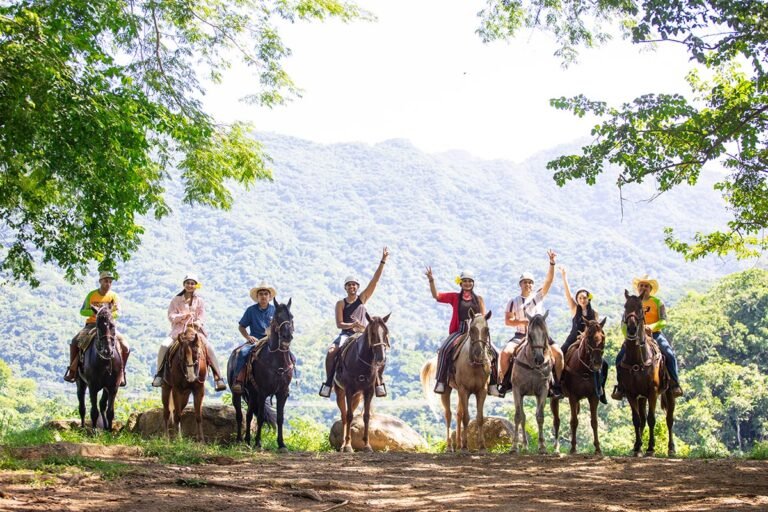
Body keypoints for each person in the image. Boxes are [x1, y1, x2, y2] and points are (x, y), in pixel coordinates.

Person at [319, 247, 389, 398]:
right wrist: (352, 325)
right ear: (345, 288)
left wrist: (382, 262)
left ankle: (379, 382)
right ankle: (329, 382)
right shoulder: (341, 303)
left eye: (354, 284)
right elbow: (339, 324)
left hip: (362, 335)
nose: (352, 287)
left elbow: (374, 282)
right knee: (331, 352)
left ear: (357, 287)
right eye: (349, 285)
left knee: (380, 352)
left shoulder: (362, 299)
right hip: (346, 334)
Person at [498, 250, 564, 398]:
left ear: (533, 285)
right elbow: (508, 321)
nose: (527, 284)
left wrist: (552, 263)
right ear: (520, 284)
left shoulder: (538, 296)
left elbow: (549, 281)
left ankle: (557, 385)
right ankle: (505, 382)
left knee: (558, 354)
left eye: (530, 282)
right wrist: (523, 321)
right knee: (505, 353)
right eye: (525, 282)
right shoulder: (513, 301)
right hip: (521, 334)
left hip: (540, 336)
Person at [427, 268, 501, 396]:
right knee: (444, 349)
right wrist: (431, 280)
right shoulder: (455, 297)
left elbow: (482, 318)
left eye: (470, 281)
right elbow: (436, 296)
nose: (467, 283)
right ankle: (441, 381)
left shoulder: (479, 299)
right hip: (460, 330)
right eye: (465, 281)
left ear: (473, 283)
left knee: (496, 352)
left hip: (476, 332)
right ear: (460, 283)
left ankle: (493, 383)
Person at [612, 275, 683, 399]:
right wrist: (628, 335)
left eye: (646, 286)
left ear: (650, 289)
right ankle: (621, 387)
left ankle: (675, 384)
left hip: (654, 334)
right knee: (619, 358)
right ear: (637, 288)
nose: (643, 288)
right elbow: (624, 323)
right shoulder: (632, 302)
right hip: (634, 336)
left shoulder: (657, 302)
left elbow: (664, 320)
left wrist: (651, 327)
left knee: (669, 354)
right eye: (641, 285)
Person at [151, 274, 226, 391]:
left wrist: (198, 322)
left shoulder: (200, 301)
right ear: (184, 284)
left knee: (209, 348)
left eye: (192, 283)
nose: (190, 285)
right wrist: (184, 316)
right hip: (178, 332)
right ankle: (159, 374)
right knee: (164, 346)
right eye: (188, 283)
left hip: (195, 332)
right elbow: (171, 316)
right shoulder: (176, 300)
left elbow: (202, 316)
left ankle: (218, 377)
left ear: (196, 286)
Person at [64, 271, 130, 386]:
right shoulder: (92, 295)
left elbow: (118, 312)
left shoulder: (114, 296)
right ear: (100, 282)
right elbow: (82, 311)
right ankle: (72, 371)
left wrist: (106, 314)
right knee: (75, 341)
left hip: (109, 327)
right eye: (105, 281)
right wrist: (95, 313)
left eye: (110, 281)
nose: (108, 283)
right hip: (92, 325)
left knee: (126, 346)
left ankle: (122, 372)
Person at [559, 266, 608, 404]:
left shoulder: (595, 313)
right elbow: (567, 294)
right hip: (573, 338)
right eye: (580, 298)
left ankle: (600, 389)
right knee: (559, 355)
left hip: (589, 342)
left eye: (584, 298)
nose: (582, 300)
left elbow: (597, 329)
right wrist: (564, 276)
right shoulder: (575, 309)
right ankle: (558, 385)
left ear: (588, 299)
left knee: (604, 364)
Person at [230, 281, 277, 394]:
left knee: (289, 356)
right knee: (242, 353)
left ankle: (285, 383)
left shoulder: (275, 310)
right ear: (257, 296)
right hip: (255, 341)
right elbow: (241, 326)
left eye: (266, 294)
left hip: (271, 341)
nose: (263, 296)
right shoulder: (251, 310)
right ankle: (239, 380)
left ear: (269, 296)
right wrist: (248, 337)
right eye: (261, 294)